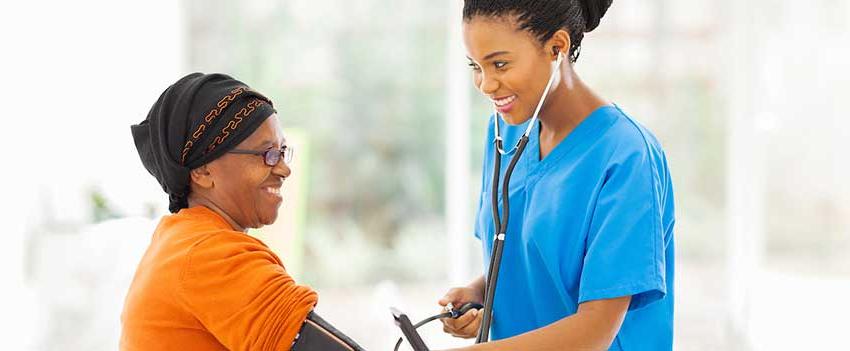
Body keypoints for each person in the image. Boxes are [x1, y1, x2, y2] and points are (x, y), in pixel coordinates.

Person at [438, 1, 676, 350]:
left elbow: (594, 332)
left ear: (557, 47)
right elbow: (530, 259)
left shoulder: (627, 156)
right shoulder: (504, 133)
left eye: (499, 64)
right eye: (476, 66)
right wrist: (480, 292)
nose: (486, 84)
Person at [122, 73, 318, 350]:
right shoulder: (213, 256)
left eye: (283, 151)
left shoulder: (179, 240)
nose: (284, 168)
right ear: (202, 170)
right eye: (267, 154)